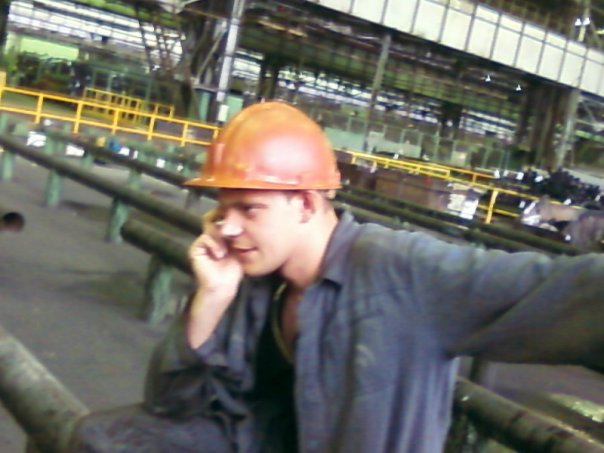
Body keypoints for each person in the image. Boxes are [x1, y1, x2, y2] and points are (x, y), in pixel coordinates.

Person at [69, 101, 604, 453]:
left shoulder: (403, 271)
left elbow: (571, 293)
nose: (226, 227)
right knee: (96, 439)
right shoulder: (254, 278)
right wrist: (210, 298)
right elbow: (172, 405)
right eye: (223, 207)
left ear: (305, 203)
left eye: (248, 209)